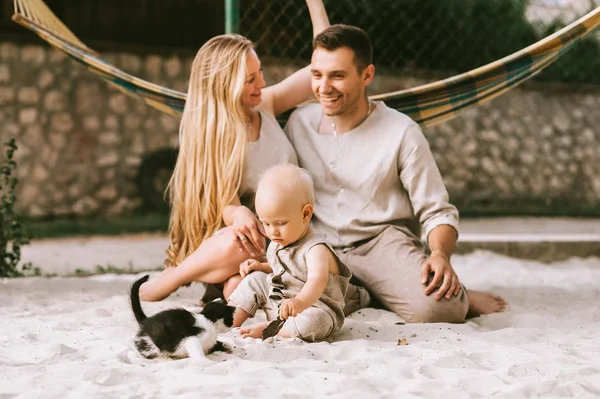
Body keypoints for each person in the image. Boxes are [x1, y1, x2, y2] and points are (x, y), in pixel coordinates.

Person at [284, 24, 507, 323]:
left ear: (367, 75)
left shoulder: (401, 131)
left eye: (337, 75)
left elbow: (437, 210)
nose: (324, 87)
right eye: (316, 75)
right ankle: (366, 293)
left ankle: (387, 289)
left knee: (443, 309)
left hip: (383, 244)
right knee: (272, 299)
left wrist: (439, 254)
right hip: (319, 247)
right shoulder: (299, 123)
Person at [138, 0, 331, 302]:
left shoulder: (265, 104)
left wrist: (315, 3)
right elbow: (226, 203)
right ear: (225, 84)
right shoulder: (215, 133)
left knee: (237, 288)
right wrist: (238, 212)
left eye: (260, 73)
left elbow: (321, 63)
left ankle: (229, 283)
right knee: (236, 240)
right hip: (248, 238)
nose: (262, 84)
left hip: (288, 235)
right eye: (250, 80)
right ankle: (175, 277)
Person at [228, 164, 351, 341]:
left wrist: (299, 302)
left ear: (305, 214)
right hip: (281, 305)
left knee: (317, 321)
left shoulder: (316, 249)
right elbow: (282, 267)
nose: (272, 232)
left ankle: (270, 330)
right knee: (254, 280)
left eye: (280, 223)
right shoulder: (281, 240)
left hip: (312, 308)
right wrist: (261, 266)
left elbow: (317, 279)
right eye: (266, 223)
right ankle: (228, 318)